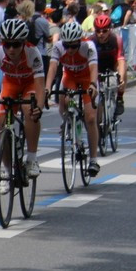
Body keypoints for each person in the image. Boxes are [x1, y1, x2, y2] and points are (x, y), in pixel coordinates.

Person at [0, 18, 46, 189]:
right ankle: (6, 170)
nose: (11, 49)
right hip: (10, 85)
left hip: (30, 85)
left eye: (16, 44)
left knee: (30, 109)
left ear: (23, 43)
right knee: (2, 123)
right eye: (8, 44)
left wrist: (39, 108)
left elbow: (40, 86)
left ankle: (32, 159)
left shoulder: (33, 52)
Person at [44, 20, 101, 176]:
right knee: (64, 101)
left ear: (79, 41)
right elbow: (53, 68)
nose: (70, 49)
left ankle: (94, 159)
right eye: (67, 45)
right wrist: (47, 87)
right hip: (69, 78)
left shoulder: (88, 46)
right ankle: (68, 122)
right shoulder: (58, 47)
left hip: (86, 78)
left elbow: (94, 68)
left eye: (73, 46)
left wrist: (93, 85)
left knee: (90, 118)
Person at [91, 13, 126, 116]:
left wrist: (121, 78)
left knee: (123, 70)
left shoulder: (116, 39)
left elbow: (120, 59)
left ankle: (119, 98)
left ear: (110, 30)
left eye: (104, 31)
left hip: (112, 64)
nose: (101, 34)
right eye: (98, 31)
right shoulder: (91, 40)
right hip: (97, 66)